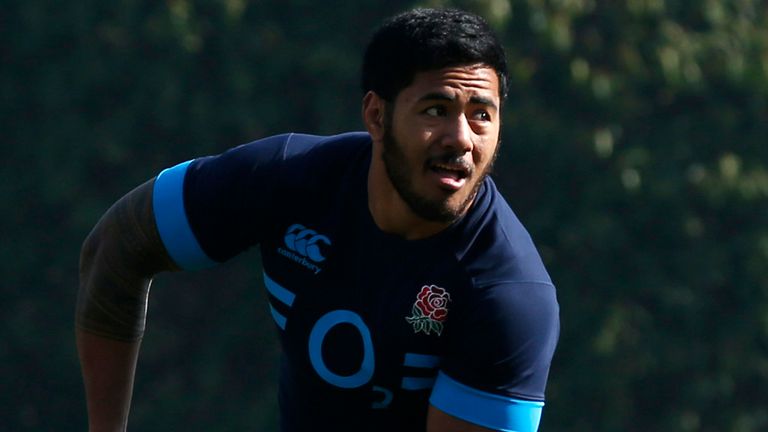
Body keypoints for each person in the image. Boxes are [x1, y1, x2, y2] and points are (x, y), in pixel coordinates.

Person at [76, 8, 560, 432]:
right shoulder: (287, 176)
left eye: (482, 115)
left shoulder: (508, 296)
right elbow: (117, 247)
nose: (462, 139)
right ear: (376, 115)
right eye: (436, 109)